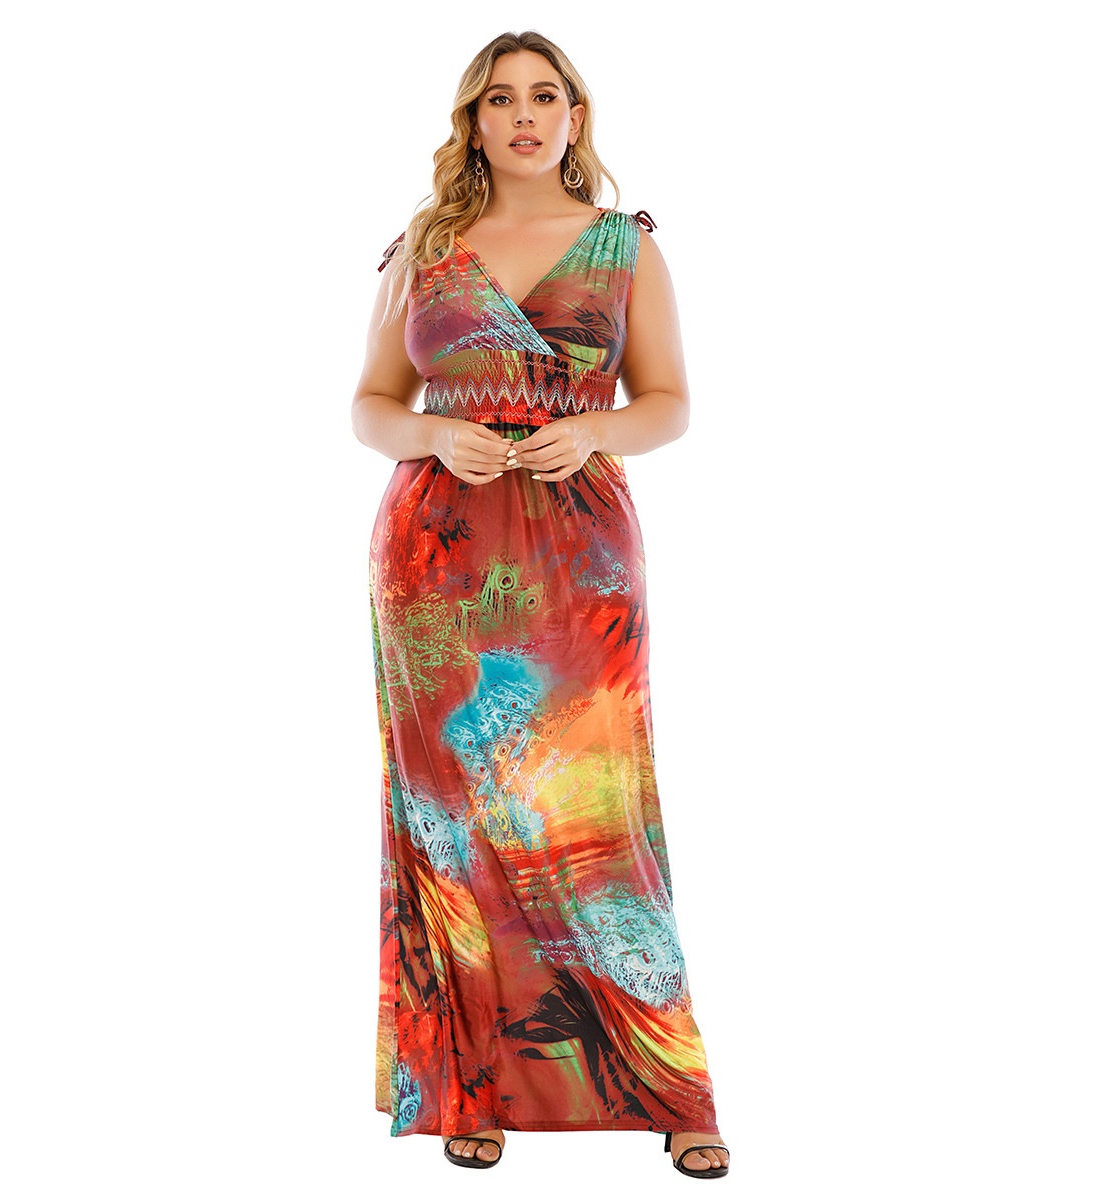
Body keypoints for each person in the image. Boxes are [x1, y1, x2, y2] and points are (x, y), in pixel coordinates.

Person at [351, 29, 731, 1180]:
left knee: (594, 811)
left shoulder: (624, 247)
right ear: (471, 121)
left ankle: (671, 1086)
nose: (524, 115)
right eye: (501, 98)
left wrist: (596, 429)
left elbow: (669, 402)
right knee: (454, 819)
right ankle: (469, 1085)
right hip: (436, 558)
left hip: (580, 555)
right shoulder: (427, 246)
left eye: (545, 96)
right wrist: (432, 435)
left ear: (575, 116)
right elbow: (371, 404)